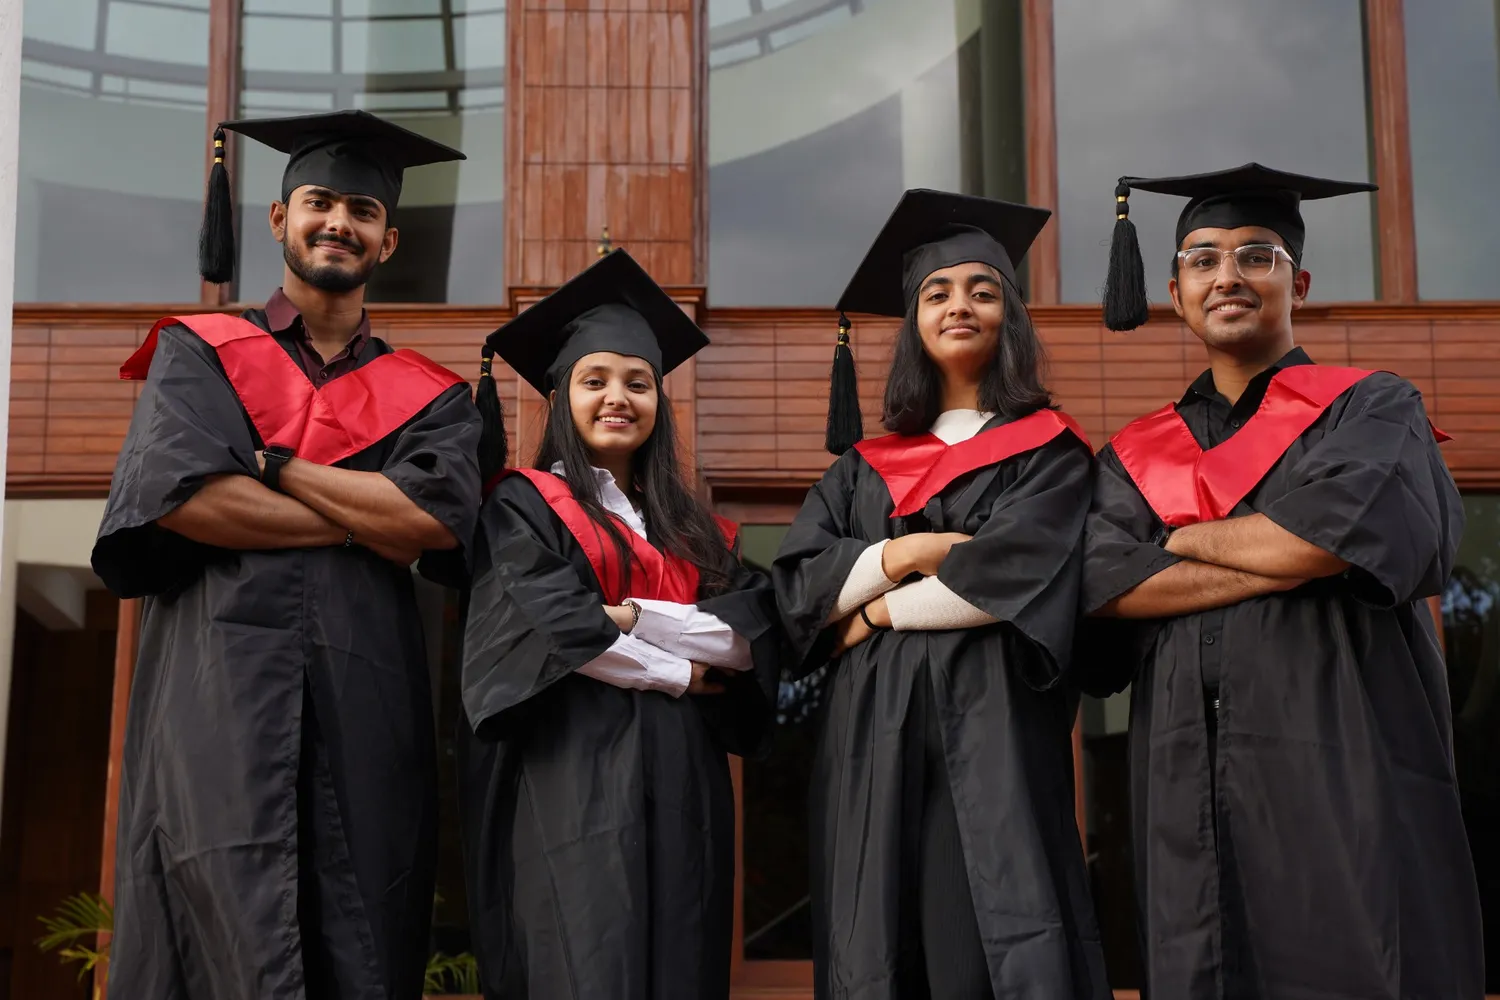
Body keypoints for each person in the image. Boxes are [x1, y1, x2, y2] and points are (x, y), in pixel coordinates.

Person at [91, 110, 483, 1000]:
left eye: (362, 210)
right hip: (215, 695)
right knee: (215, 909)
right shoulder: (199, 354)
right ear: (279, 219)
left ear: (388, 240)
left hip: (366, 699)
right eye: (319, 203)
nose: (339, 222)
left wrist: (276, 468)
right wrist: (356, 520)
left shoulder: (433, 399)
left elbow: (430, 522)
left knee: (362, 918)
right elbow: (187, 500)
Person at [1083, 163, 1482, 999]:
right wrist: (1281, 547)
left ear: (1297, 283)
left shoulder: (1370, 409)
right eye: (1203, 259)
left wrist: (1178, 541)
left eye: (1255, 256)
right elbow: (1105, 586)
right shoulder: (1129, 457)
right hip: (1182, 784)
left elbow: (1326, 545)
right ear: (1176, 293)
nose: (1227, 275)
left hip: (1343, 764)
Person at [773, 190, 1109, 1000]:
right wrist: (912, 551)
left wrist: (874, 608)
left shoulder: (1050, 452)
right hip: (868, 730)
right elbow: (799, 586)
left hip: (991, 721)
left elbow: (1014, 576)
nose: (960, 305)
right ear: (914, 322)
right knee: (873, 937)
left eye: (982, 291)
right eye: (937, 293)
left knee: (982, 940)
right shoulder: (862, 466)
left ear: (1010, 317)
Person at [457, 249, 780, 1000]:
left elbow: (746, 637)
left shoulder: (696, 531)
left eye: (638, 383)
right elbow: (556, 629)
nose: (617, 398)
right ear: (560, 395)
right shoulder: (523, 506)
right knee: (587, 959)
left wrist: (629, 615)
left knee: (682, 958)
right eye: (594, 380)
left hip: (685, 778)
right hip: (573, 772)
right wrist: (683, 671)